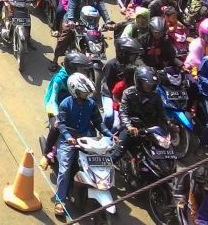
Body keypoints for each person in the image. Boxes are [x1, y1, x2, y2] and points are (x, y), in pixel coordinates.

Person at [53, 73, 114, 215]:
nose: (86, 95)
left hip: (86, 139)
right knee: (65, 169)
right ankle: (60, 200)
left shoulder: (91, 104)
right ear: (74, 90)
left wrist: (110, 135)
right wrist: (68, 137)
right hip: (68, 140)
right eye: (84, 92)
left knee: (99, 162)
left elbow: (98, 122)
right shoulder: (65, 104)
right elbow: (61, 125)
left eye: (87, 92)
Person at [40, 50, 94, 169]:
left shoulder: (81, 79)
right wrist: (57, 116)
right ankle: (46, 154)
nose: (84, 72)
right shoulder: (59, 80)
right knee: (56, 128)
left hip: (74, 107)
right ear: (72, 68)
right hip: (56, 108)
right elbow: (52, 100)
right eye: (81, 69)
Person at [52, 0, 112, 69]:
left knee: (99, 39)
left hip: (91, 22)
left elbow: (103, 9)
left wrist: (108, 21)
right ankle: (55, 60)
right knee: (64, 38)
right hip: (75, 21)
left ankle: (95, 57)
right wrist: (71, 20)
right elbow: (71, 8)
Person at [117, 66, 170, 157]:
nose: (149, 86)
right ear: (139, 82)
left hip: (151, 128)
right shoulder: (128, 93)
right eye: (147, 84)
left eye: (152, 84)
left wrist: (169, 122)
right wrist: (129, 127)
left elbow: (161, 111)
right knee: (118, 153)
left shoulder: (156, 93)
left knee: (168, 151)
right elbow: (123, 113)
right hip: (133, 128)